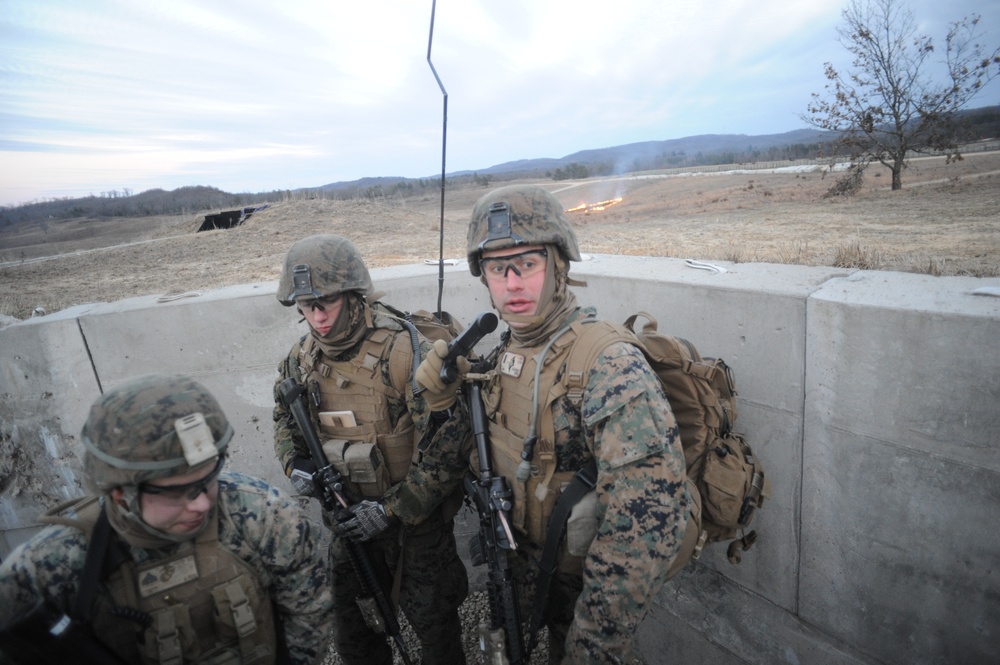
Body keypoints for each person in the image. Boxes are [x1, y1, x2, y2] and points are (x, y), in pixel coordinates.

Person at [415, 185, 697, 665]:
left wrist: (594, 645)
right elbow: (468, 448)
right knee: (500, 652)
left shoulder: (608, 364)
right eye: (496, 268)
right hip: (513, 562)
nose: (512, 284)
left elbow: (646, 526)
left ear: (558, 265)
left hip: (582, 585)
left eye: (526, 264)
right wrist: (441, 403)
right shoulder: (508, 350)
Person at [0, 373, 335, 665]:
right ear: (120, 493)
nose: (202, 504)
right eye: (178, 492)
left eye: (209, 479)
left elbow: (308, 616)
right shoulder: (46, 570)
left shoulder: (262, 515)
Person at [271, 234, 469, 665]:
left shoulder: (403, 352)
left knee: (435, 631)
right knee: (353, 631)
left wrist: (391, 510)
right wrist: (295, 463)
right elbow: (284, 420)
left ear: (353, 294)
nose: (317, 318)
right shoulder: (301, 360)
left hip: (414, 526)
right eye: (307, 307)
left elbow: (449, 447)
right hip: (347, 521)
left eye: (326, 303)